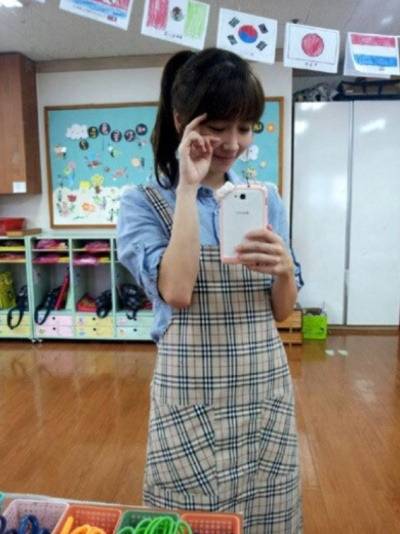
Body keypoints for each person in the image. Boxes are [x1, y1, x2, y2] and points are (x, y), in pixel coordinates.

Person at [117, 48, 303, 533]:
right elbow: (176, 292)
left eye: (245, 128)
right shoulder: (143, 203)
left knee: (267, 515)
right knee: (190, 518)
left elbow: (282, 312)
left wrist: (285, 272)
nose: (233, 143)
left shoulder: (266, 199)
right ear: (183, 121)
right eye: (218, 127)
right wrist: (187, 189)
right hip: (189, 394)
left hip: (264, 389)